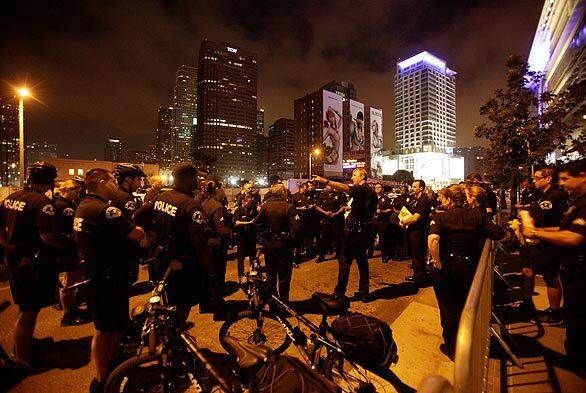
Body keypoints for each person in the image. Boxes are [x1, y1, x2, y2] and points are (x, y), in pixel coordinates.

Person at [73, 168, 145, 392]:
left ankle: (111, 366)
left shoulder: (83, 207)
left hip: (97, 274)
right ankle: (102, 378)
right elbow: (137, 234)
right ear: (102, 183)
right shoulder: (106, 210)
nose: (115, 185)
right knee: (104, 329)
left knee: (112, 326)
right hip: (108, 277)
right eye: (113, 181)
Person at [0, 162, 70, 369]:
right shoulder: (42, 203)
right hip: (32, 262)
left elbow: (1, 232)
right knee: (29, 310)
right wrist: (65, 246)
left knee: (27, 306)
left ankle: (26, 342)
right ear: (49, 180)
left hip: (14, 258)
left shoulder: (10, 198)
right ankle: (22, 358)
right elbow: (47, 236)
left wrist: (11, 244)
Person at [133, 163, 221, 320]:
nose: (198, 180)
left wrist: (152, 232)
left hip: (160, 259)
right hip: (180, 264)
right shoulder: (190, 204)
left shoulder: (160, 197)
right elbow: (199, 242)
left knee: (166, 299)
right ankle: (173, 336)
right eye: (196, 177)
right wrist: (210, 270)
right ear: (187, 180)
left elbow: (137, 216)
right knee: (181, 305)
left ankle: (167, 330)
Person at [428, 185, 505, 359]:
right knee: (467, 308)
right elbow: (499, 233)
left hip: (448, 268)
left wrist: (436, 261)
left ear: (448, 199)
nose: (441, 201)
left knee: (449, 310)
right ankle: (469, 342)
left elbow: (433, 240)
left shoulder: (441, 217)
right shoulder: (477, 216)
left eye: (443, 198)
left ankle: (454, 349)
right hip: (470, 267)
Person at [522, 158, 585, 370]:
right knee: (576, 318)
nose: (563, 183)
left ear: (582, 176)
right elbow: (560, 228)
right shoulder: (575, 200)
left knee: (577, 316)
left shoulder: (560, 197)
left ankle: (576, 360)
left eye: (566, 179)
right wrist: (536, 231)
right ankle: (574, 354)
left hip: (577, 268)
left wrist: (536, 231)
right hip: (571, 266)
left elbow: (574, 236)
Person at [313, 168, 378, 301]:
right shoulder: (368, 192)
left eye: (354, 175)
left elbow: (344, 187)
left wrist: (324, 180)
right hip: (362, 231)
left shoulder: (363, 189)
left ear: (362, 177)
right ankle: (364, 292)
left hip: (355, 232)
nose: (352, 178)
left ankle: (339, 293)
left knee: (344, 260)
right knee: (361, 260)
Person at [236, 183, 300, 302]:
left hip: (269, 244)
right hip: (283, 245)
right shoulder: (288, 206)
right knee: (284, 276)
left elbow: (255, 222)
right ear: (282, 193)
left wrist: (262, 239)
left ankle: (273, 302)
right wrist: (291, 243)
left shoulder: (266, 206)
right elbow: (295, 229)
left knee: (271, 275)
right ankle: (284, 303)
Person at [521, 167, 568, 324]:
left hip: (550, 243)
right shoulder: (542, 195)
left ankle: (554, 313)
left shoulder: (555, 195)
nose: (534, 180)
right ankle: (535, 306)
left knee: (551, 277)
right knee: (535, 272)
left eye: (537, 178)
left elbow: (537, 215)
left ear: (548, 179)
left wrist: (525, 214)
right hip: (541, 242)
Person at [54, 179, 89, 327]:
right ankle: (67, 315)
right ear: (65, 190)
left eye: (78, 189)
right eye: (74, 189)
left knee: (76, 280)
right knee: (69, 283)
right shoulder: (63, 206)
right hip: (68, 249)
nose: (78, 192)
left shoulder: (69, 204)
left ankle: (72, 308)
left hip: (71, 248)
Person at [112, 163, 147, 285]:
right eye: (138, 179)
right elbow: (130, 226)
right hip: (125, 251)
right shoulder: (126, 198)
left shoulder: (114, 194)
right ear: (128, 179)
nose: (140, 183)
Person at [202, 180, 233, 300]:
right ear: (217, 190)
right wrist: (230, 231)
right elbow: (220, 229)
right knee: (218, 275)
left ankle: (205, 302)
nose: (224, 191)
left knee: (207, 274)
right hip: (216, 244)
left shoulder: (205, 203)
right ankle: (217, 305)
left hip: (205, 243)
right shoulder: (217, 206)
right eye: (223, 188)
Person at [402, 179, 432, 286]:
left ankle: (420, 278)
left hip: (419, 231)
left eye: (415, 187)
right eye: (412, 187)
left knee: (418, 255)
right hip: (414, 230)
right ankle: (417, 275)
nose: (412, 189)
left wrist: (404, 221)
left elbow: (415, 218)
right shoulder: (417, 199)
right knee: (415, 255)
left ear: (421, 188)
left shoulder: (423, 200)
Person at [315, 183, 347, 262]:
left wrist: (337, 213)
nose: (331, 187)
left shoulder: (340, 194)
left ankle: (339, 255)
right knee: (324, 239)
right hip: (326, 219)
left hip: (337, 219)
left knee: (338, 239)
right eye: (329, 185)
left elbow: (344, 206)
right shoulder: (322, 194)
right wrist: (324, 212)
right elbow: (317, 206)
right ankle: (322, 256)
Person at [233, 194, 258, 278]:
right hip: (242, 236)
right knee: (241, 256)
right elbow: (237, 223)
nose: (250, 204)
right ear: (244, 202)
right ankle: (241, 273)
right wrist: (249, 223)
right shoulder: (239, 210)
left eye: (251, 203)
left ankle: (253, 271)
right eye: (249, 202)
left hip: (251, 236)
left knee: (252, 255)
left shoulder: (252, 209)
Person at [370, 183, 394, 262]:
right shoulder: (372, 198)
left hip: (382, 222)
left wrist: (382, 211)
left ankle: (384, 255)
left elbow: (390, 209)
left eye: (379, 187)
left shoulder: (386, 198)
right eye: (376, 187)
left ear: (382, 189)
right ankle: (370, 254)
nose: (377, 189)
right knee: (371, 238)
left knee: (383, 239)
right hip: (373, 221)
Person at [392, 185, 410, 261]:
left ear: (407, 191)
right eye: (401, 190)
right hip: (397, 221)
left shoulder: (410, 199)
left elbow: (411, 210)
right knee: (397, 238)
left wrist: (404, 214)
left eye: (404, 190)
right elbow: (393, 208)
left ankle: (403, 255)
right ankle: (396, 254)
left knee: (404, 239)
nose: (403, 192)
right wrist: (399, 212)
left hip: (406, 220)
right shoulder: (397, 199)